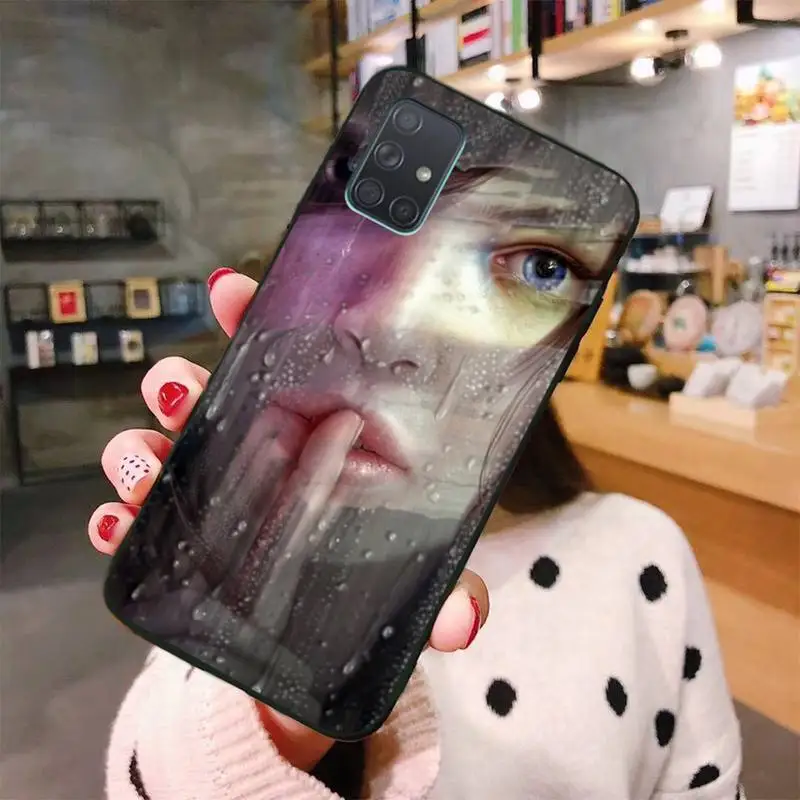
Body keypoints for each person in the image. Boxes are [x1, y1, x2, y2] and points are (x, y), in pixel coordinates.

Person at [89, 267, 743, 800]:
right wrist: (270, 716)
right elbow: (150, 773)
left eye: (536, 270)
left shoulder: (636, 550)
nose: (393, 339)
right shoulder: (247, 553)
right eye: (355, 272)